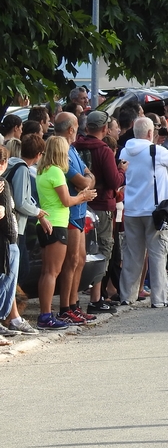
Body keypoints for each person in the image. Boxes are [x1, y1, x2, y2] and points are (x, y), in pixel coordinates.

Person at [118, 117, 168, 307]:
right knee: (157, 254)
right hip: (154, 212)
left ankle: (127, 296)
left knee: (132, 255)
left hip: (131, 210)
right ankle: (159, 299)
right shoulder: (155, 151)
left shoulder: (125, 150)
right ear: (150, 133)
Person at [35, 136, 97, 328]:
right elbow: (66, 201)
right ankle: (45, 315)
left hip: (46, 222)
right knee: (52, 272)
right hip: (57, 223)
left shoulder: (42, 170)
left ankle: (46, 313)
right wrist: (83, 197)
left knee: (47, 271)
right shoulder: (56, 171)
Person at [73, 110, 126, 314]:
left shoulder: (75, 147)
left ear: (87, 128)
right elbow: (114, 181)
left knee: (81, 254)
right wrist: (122, 171)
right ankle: (96, 298)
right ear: (105, 129)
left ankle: (75, 298)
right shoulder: (104, 150)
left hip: (81, 204)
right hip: (103, 204)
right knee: (102, 250)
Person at [2, 133, 47, 334]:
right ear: (38, 155)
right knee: (14, 274)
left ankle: (13, 316)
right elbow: (21, 201)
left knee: (13, 275)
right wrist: (38, 212)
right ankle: (11, 317)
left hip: (12, 228)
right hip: (14, 229)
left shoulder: (12, 165)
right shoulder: (21, 169)